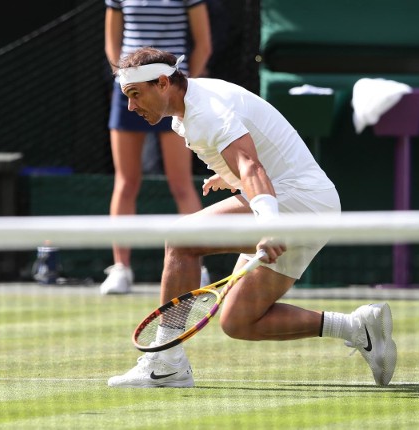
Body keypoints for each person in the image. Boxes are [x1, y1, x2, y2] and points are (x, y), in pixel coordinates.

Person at [106, 47, 397, 388]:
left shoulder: (206, 111)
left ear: (162, 83)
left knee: (182, 240)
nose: (131, 106)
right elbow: (248, 160)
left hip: (300, 203)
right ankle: (357, 329)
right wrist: (228, 177)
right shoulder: (187, 113)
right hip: (302, 204)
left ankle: (165, 361)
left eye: (136, 94)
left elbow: (251, 165)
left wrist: (268, 226)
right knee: (240, 321)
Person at [101, 0, 213, 295]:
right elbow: (112, 43)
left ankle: (198, 269)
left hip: (169, 91)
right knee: (125, 183)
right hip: (129, 91)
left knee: (181, 184)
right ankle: (121, 269)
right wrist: (126, 83)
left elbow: (204, 44)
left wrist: (184, 87)